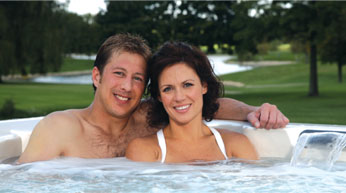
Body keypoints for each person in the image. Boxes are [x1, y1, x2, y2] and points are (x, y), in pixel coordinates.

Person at [18, 34, 288, 163]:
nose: (127, 86)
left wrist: (252, 111)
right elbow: (24, 185)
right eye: (119, 74)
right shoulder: (60, 128)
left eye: (137, 78)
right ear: (97, 76)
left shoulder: (146, 118)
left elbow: (201, 105)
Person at [126, 42, 258, 163]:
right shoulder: (144, 149)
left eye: (187, 85)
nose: (179, 97)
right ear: (159, 96)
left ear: (204, 86)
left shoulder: (235, 144)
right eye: (168, 89)